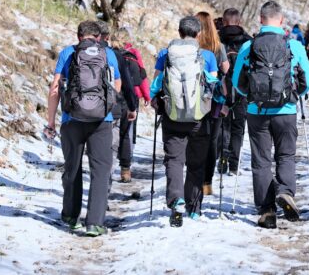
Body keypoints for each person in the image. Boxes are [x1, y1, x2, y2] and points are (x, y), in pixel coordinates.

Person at [232, 1, 309, 229]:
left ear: (260, 19)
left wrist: (251, 96)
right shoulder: (293, 46)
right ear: (281, 21)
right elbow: (308, 79)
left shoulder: (249, 47)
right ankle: (286, 192)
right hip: (285, 111)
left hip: (256, 112)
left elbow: (237, 81)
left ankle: (266, 210)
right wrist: (294, 95)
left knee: (261, 161)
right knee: (286, 156)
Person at [45, 20, 122, 237]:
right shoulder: (108, 53)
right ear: (98, 37)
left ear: (78, 36)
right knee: (100, 170)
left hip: (72, 119)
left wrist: (51, 122)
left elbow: (55, 89)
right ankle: (95, 223)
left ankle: (70, 216)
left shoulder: (68, 53)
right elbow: (117, 85)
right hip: (101, 121)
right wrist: (105, 106)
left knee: (73, 168)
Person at [150, 16, 221, 227]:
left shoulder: (166, 54)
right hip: (199, 117)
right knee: (196, 163)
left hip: (172, 115)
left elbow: (155, 84)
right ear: (199, 34)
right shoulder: (206, 56)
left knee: (174, 160)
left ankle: (176, 201)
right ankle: (194, 208)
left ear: (179, 32)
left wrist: (154, 101)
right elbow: (213, 87)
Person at [197, 11, 230, 196]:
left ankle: (194, 175)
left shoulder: (192, 46)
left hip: (192, 98)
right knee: (212, 139)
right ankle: (207, 183)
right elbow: (226, 68)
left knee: (195, 137)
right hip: (215, 99)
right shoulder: (218, 46)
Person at [218, 7, 252, 176]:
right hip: (242, 90)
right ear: (239, 22)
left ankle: (222, 159)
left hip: (220, 89)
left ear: (223, 21)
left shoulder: (216, 40)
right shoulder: (248, 41)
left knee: (222, 126)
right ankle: (233, 165)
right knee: (238, 128)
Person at [108, 28, 142, 184]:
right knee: (125, 135)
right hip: (125, 100)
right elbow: (135, 82)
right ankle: (125, 170)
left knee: (110, 136)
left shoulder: (107, 55)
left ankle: (107, 168)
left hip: (110, 100)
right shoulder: (131, 59)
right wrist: (133, 105)